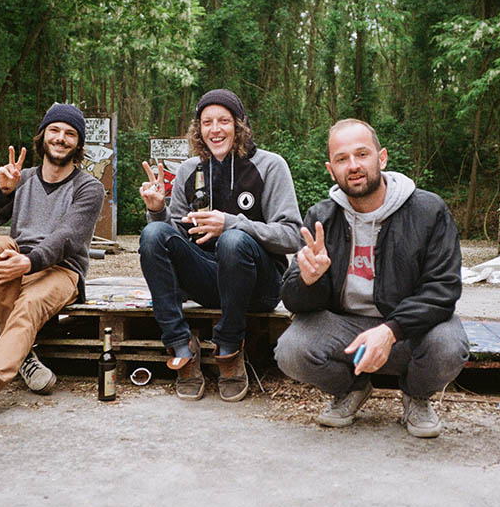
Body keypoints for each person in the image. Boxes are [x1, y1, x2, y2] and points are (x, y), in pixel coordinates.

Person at [275, 118, 469, 438]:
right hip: (347, 331)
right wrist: (309, 280)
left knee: (449, 344)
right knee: (291, 350)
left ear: (382, 158)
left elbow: (443, 288)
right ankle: (352, 389)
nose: (353, 165)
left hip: (406, 330)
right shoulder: (321, 217)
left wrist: (391, 331)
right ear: (330, 169)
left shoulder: (428, 210)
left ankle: (417, 397)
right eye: (342, 159)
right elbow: (293, 300)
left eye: (362, 154)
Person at [139, 89, 303, 402]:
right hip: (208, 281)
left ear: (239, 125)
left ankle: (229, 348)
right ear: (198, 130)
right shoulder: (189, 170)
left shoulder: (270, 165)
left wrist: (233, 222)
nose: (215, 129)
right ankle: (180, 345)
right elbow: (171, 241)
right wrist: (158, 210)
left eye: (224, 121)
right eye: (207, 122)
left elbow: (292, 235)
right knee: (152, 234)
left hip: (259, 285)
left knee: (233, 239)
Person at [0, 103, 104, 419]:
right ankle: (24, 359)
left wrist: (30, 262)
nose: (61, 138)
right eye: (55, 130)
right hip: (17, 267)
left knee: (30, 302)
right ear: (43, 135)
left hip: (61, 271)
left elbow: (67, 237)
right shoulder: (21, 180)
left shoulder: (89, 187)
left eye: (70, 133)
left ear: (78, 144)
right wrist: (0, 192)